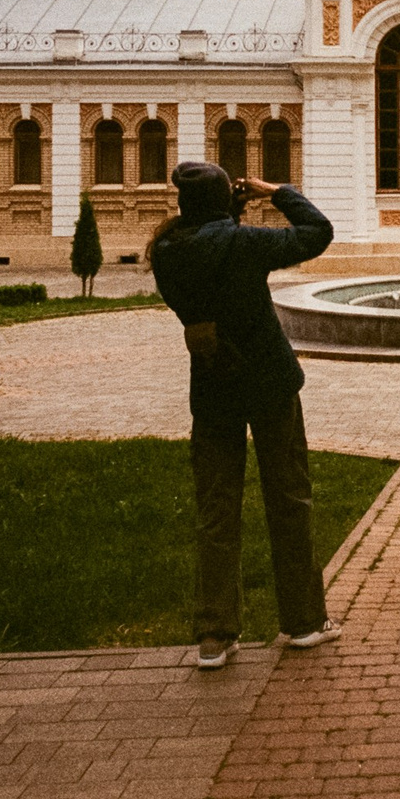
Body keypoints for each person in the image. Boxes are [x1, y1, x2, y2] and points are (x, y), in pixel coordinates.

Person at [149, 162, 338, 671]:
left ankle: (215, 634)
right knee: (289, 497)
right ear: (224, 201)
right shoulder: (243, 243)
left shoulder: (165, 250)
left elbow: (208, 249)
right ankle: (303, 622)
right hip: (269, 381)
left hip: (213, 384)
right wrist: (276, 191)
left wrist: (228, 213)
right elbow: (317, 232)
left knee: (216, 508)